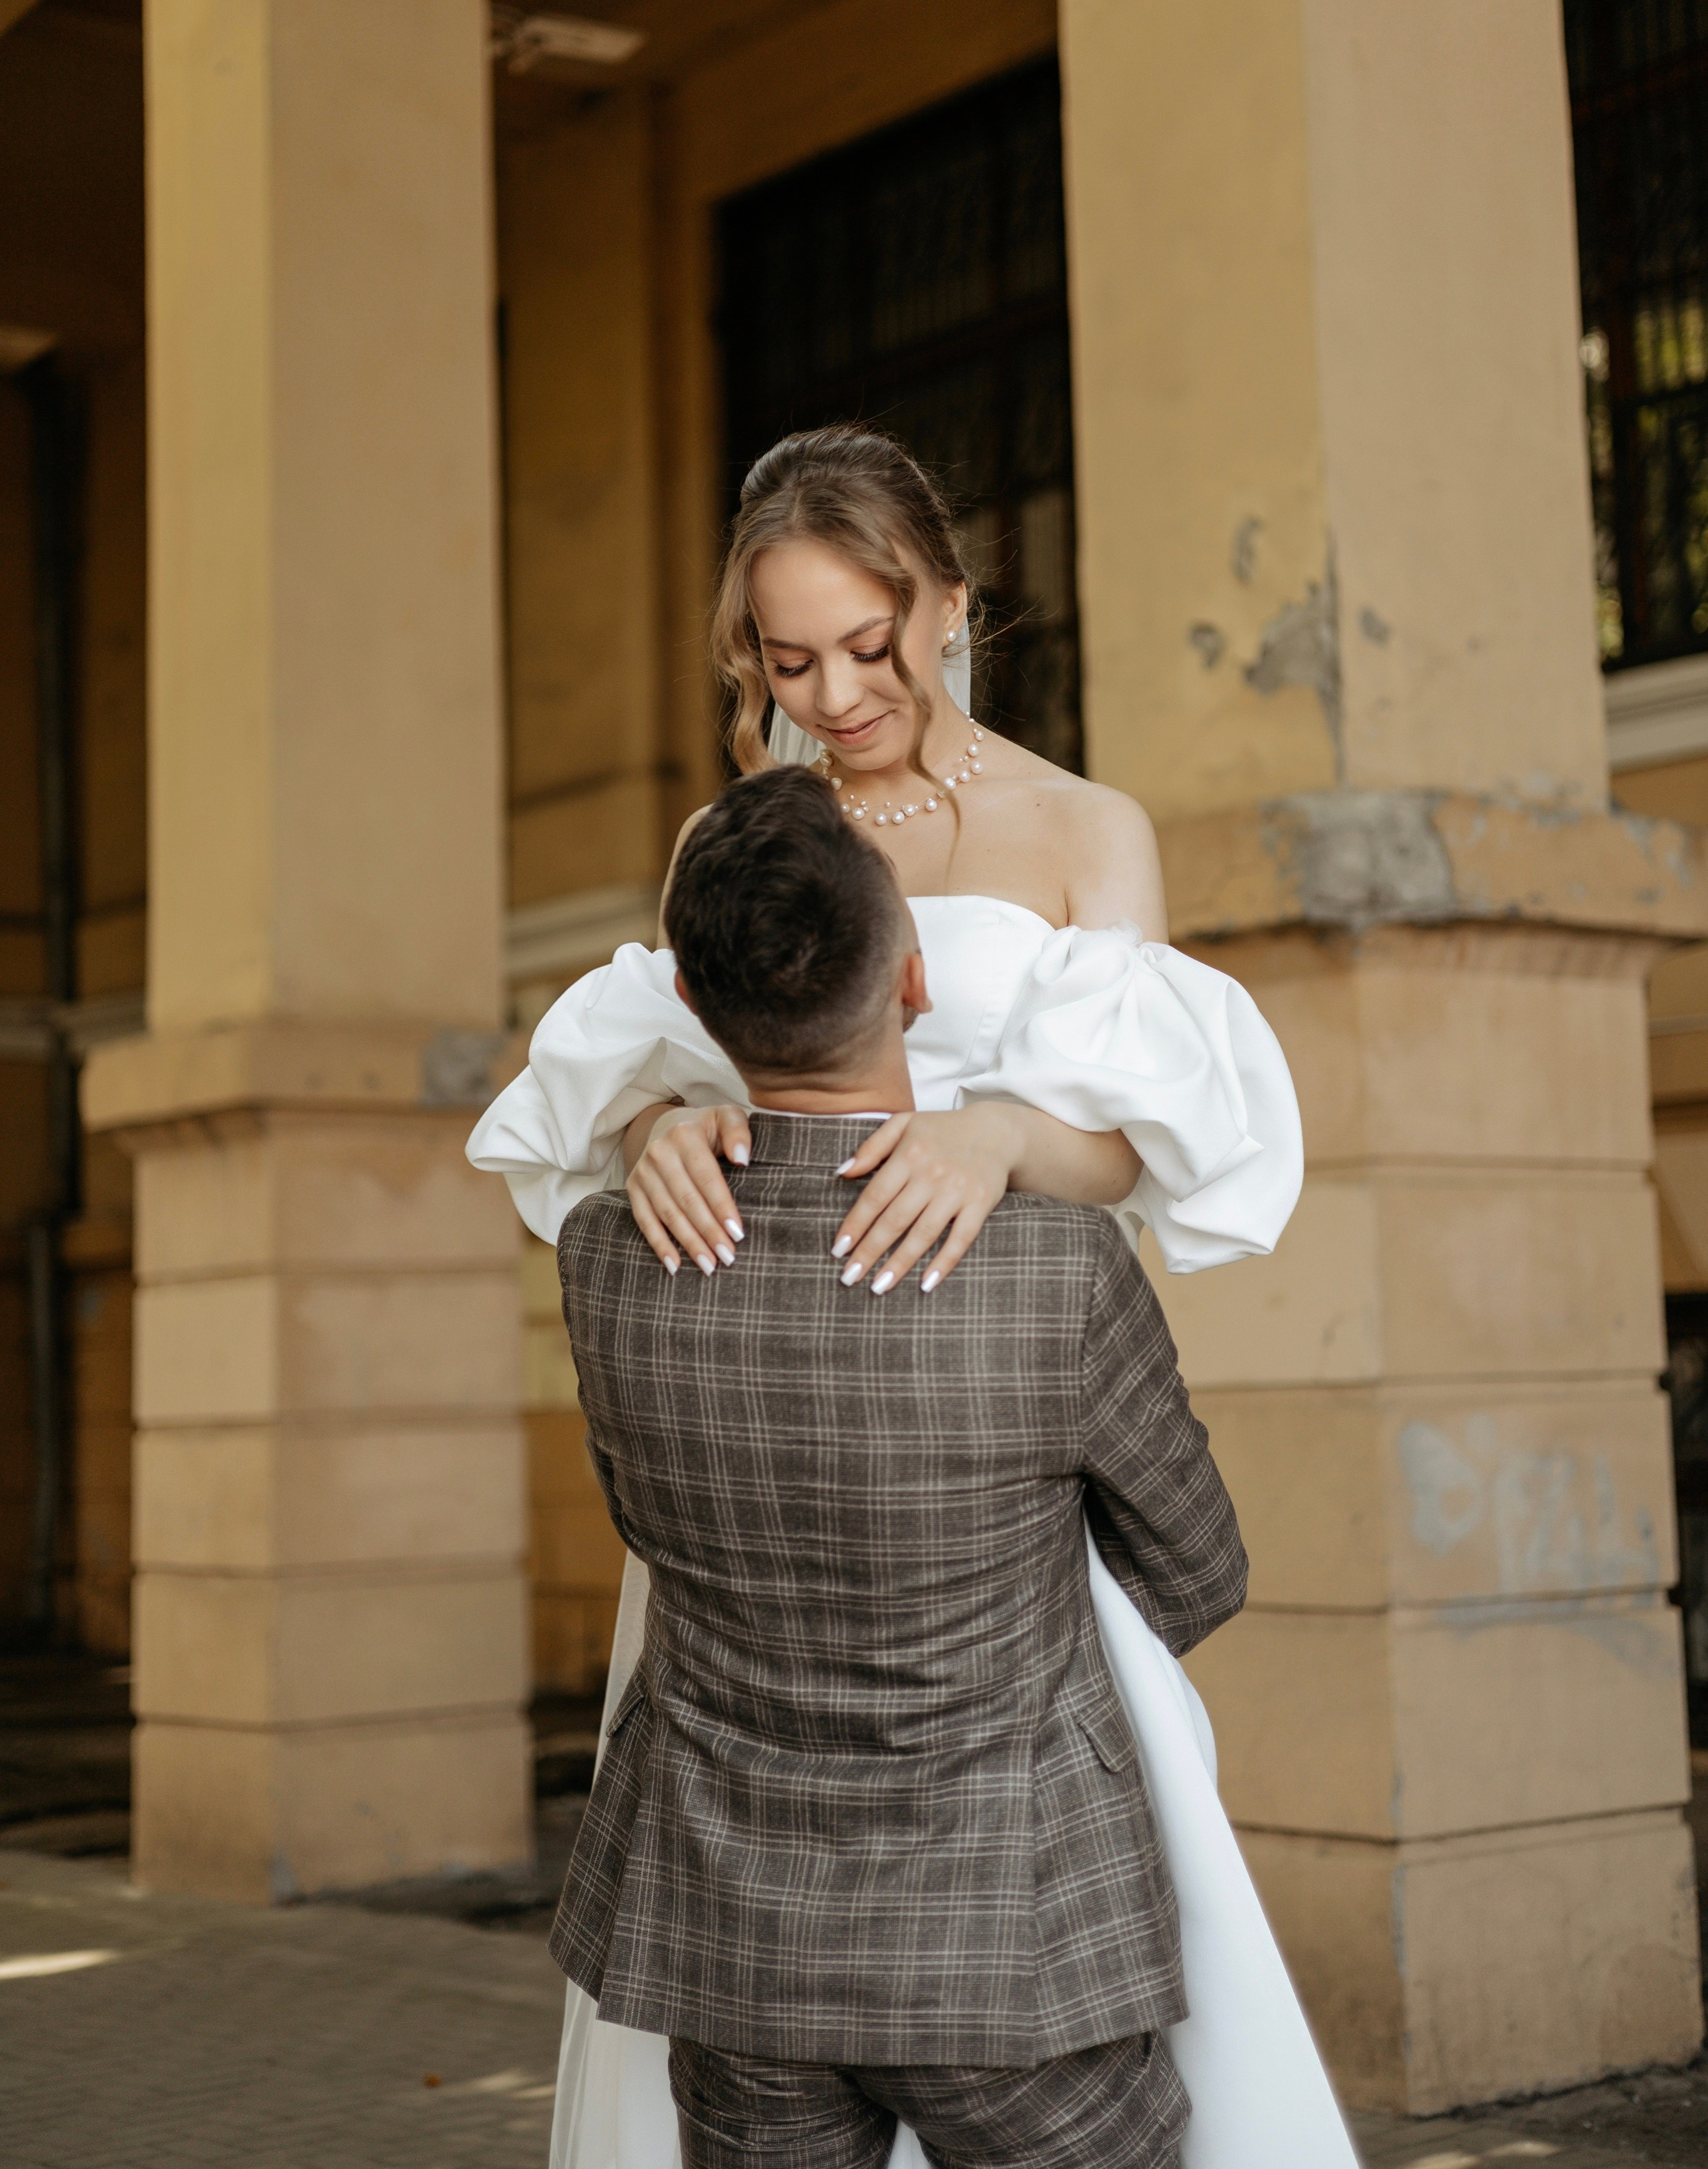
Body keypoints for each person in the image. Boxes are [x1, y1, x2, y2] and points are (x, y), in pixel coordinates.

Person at [468, 424, 1358, 2168]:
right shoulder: (737, 835)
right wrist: (659, 1119)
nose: (839, 693)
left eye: (873, 647)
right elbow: (690, 1050)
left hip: (988, 1474)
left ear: (951, 601)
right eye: (786, 661)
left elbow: (1148, 1150)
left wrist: (1009, 1133)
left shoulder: (1086, 829)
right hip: (776, 1449)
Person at [554, 765, 1247, 2168]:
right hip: (1016, 1939)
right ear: (914, 983)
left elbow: (647, 1524)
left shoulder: (605, 1260)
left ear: (690, 1003)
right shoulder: (1052, 1267)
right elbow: (1198, 1567)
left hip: (734, 1948)